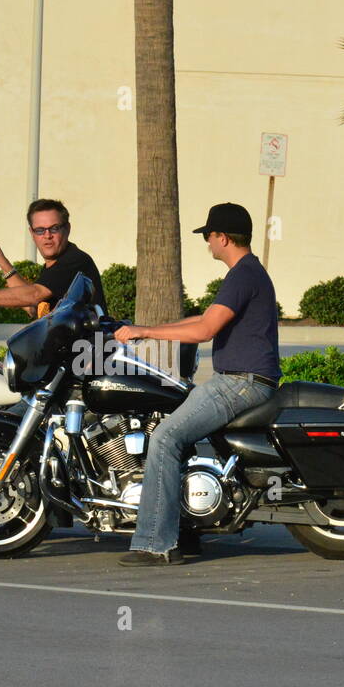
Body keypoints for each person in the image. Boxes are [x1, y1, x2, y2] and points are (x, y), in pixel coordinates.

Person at [113, 203, 281, 566]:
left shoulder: (243, 275)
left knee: (166, 437)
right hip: (243, 380)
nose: (207, 243)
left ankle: (157, 543)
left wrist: (145, 332)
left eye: (208, 236)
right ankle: (187, 530)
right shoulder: (247, 273)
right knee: (175, 431)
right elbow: (205, 318)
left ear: (222, 237)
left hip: (241, 383)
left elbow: (205, 331)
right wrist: (149, 329)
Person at [0, 198, 106, 318]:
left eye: (54, 228)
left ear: (67, 229)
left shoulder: (74, 260)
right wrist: (2, 262)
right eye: (40, 230)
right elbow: (33, 307)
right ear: (32, 233)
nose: (47, 235)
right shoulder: (52, 267)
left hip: (87, 358)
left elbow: (34, 294)